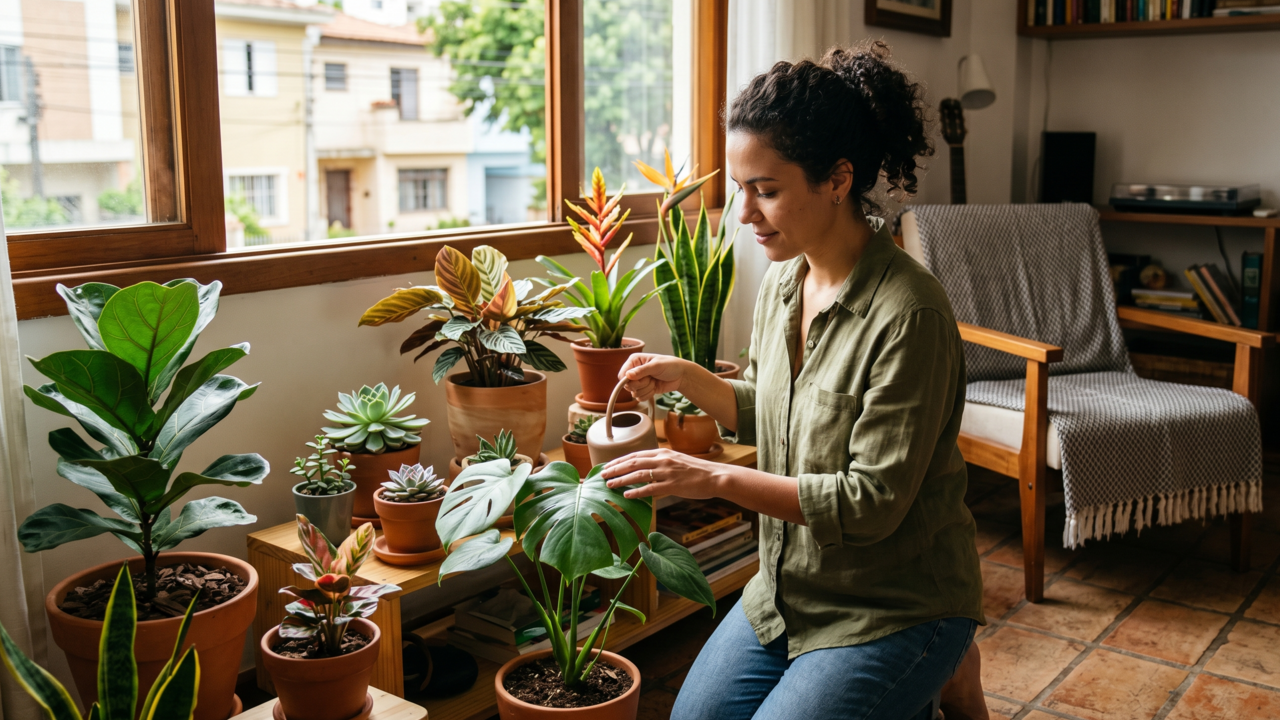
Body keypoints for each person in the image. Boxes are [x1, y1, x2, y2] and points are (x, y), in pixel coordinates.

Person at [601, 41, 989, 720]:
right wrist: (685, 375)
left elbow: (869, 502)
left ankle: (942, 657)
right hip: (787, 593)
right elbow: (768, 411)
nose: (743, 213)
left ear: (837, 180)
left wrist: (711, 478)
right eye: (739, 189)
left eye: (767, 191)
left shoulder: (910, 314)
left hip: (895, 606)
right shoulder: (786, 281)